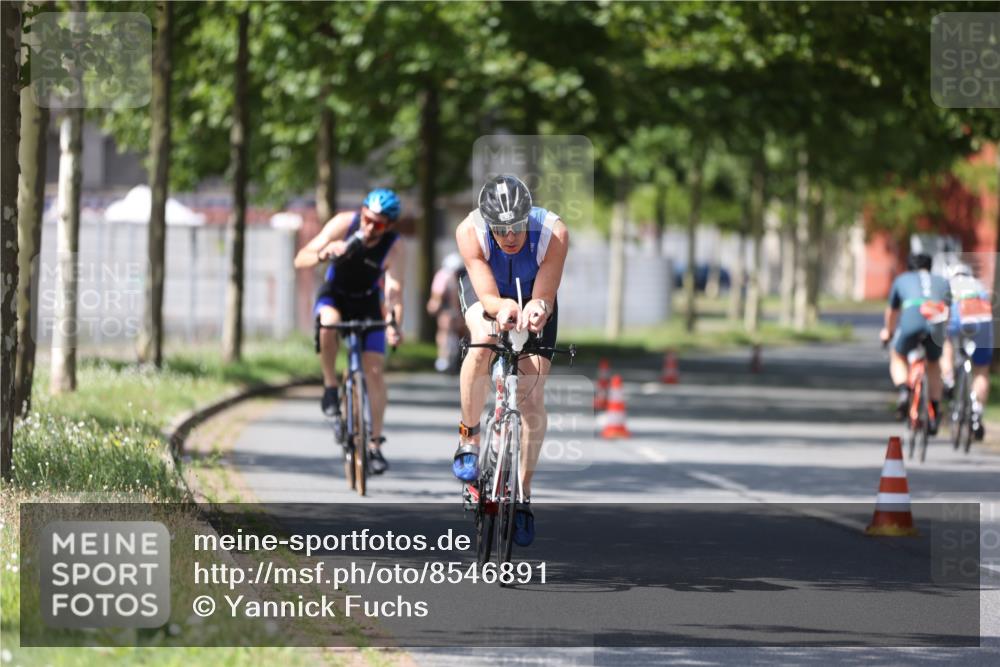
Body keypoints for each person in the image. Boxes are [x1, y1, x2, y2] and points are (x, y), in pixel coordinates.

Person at [451, 174, 569, 547]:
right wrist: (502, 308)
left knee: (532, 397)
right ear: (488, 223)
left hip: (534, 294)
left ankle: (522, 493)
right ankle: (469, 440)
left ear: (527, 217)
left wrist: (537, 309)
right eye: (500, 229)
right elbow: (486, 296)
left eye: (517, 226)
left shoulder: (553, 232)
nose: (510, 236)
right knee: (483, 341)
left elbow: (544, 294)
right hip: (489, 293)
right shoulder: (470, 231)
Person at [293, 188, 405, 474]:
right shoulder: (344, 223)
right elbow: (301, 258)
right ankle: (331, 387)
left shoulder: (393, 245)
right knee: (328, 323)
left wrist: (394, 324)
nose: (369, 226)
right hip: (335, 294)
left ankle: (375, 445)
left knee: (375, 371)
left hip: (368, 301)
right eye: (367, 218)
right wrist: (324, 253)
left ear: (389, 225)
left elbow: (393, 291)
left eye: (377, 224)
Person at [879, 252, 952, 435]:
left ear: (909, 267)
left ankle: (904, 391)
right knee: (934, 364)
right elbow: (949, 312)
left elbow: (892, 313)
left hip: (912, 316)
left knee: (898, 355)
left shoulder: (902, 279)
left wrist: (888, 332)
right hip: (935, 317)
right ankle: (934, 412)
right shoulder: (942, 281)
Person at [940, 263, 993, 440]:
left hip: (959, 315)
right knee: (981, 371)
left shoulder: (948, 285)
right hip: (983, 320)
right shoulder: (979, 285)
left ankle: (948, 378)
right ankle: (977, 411)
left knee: (946, 339)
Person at [426, 253, 468, 373]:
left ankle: (465, 355)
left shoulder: (466, 276)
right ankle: (443, 356)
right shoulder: (442, 276)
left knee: (466, 329)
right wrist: (434, 306)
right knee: (445, 327)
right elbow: (436, 297)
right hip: (447, 308)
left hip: (462, 307)